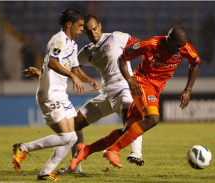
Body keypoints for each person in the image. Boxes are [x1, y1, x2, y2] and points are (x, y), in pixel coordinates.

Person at [24, 15, 145, 174]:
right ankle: (76, 168)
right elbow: (69, 67)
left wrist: (156, 69)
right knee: (75, 125)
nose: (93, 33)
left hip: (123, 88)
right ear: (86, 34)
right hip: (106, 94)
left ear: (100, 26)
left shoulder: (116, 37)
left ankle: (136, 153)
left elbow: (144, 46)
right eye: (88, 31)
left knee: (129, 117)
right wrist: (42, 73)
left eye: (95, 29)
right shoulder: (86, 52)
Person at [73, 26, 201, 169]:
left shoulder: (185, 48)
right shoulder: (150, 44)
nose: (180, 49)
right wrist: (129, 80)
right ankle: (113, 150)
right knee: (153, 119)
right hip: (142, 83)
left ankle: (86, 150)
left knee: (128, 130)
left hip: (156, 89)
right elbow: (123, 57)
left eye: (182, 46)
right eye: (177, 46)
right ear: (169, 39)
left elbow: (195, 64)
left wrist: (188, 89)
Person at [12, 7, 98, 181]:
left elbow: (74, 68)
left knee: (76, 132)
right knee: (68, 137)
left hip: (60, 94)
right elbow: (52, 61)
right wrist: (72, 75)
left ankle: (72, 168)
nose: (82, 29)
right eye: (80, 25)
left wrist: (89, 80)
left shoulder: (72, 44)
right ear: (69, 24)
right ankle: (25, 148)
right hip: (51, 94)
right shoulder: (59, 39)